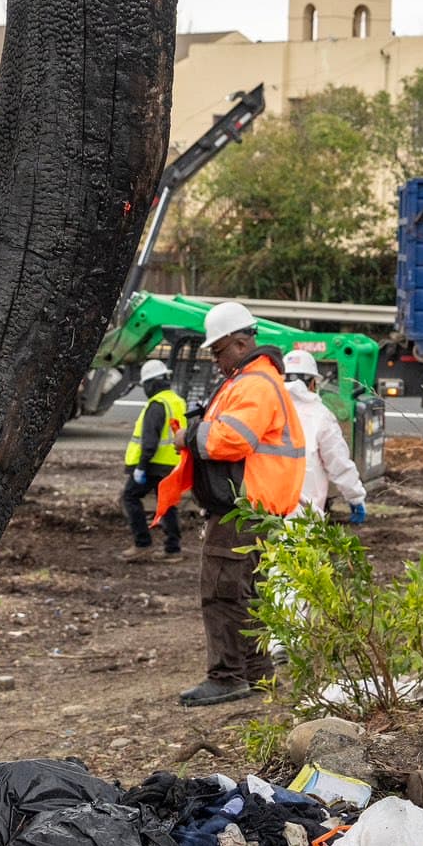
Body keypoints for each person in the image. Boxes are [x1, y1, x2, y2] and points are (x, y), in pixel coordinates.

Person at [173, 301, 307, 707]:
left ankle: (227, 676)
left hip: (242, 509)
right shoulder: (257, 381)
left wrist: (189, 436)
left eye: (218, 351)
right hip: (257, 508)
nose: (216, 361)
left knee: (222, 590)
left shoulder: (254, 384)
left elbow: (232, 440)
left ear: (241, 342)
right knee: (248, 594)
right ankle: (256, 674)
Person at [282, 350, 368, 521]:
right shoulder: (320, 415)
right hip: (305, 513)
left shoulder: (267, 408)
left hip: (265, 510)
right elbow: (338, 462)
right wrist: (355, 498)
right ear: (313, 383)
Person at [119, 358, 186, 559]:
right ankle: (173, 549)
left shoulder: (157, 405)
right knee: (167, 504)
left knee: (130, 497)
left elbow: (149, 441)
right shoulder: (177, 401)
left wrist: (141, 467)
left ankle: (142, 543)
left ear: (152, 383)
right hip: (171, 464)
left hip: (152, 465)